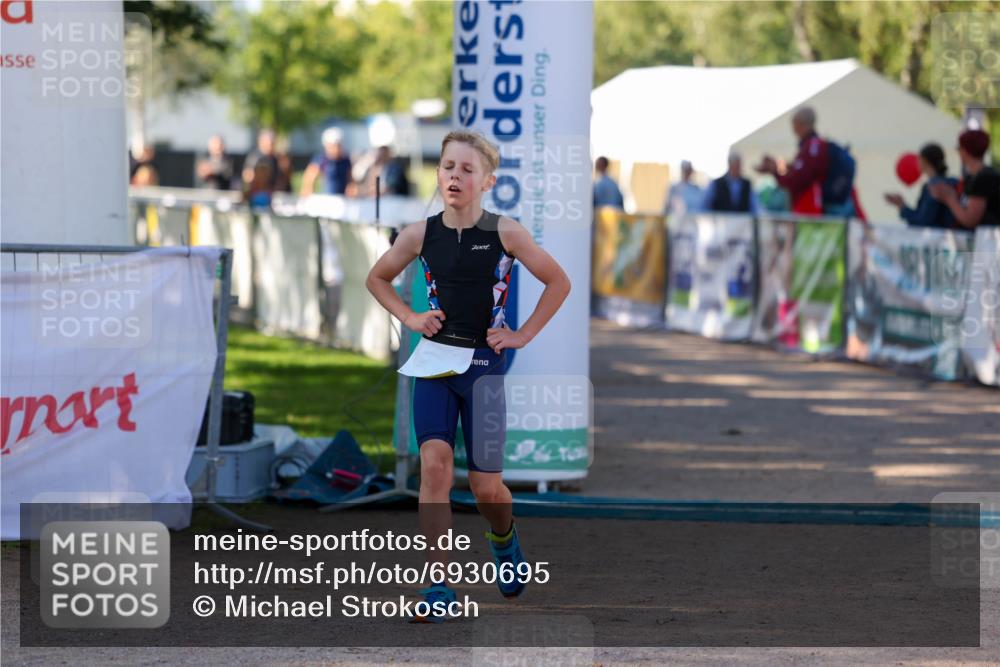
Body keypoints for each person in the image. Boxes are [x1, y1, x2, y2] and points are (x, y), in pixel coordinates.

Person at [365, 130, 571, 622]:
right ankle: (438, 587)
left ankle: (504, 539)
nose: (455, 177)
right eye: (448, 167)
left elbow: (558, 281)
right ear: (438, 173)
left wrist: (521, 335)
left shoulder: (507, 232)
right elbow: (376, 277)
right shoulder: (418, 234)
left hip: (483, 370)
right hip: (434, 364)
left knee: (486, 490)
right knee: (434, 468)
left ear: (487, 181)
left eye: (466, 170)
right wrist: (411, 319)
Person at [929, 129, 1000, 228]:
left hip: (985, 240)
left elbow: (970, 220)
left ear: (965, 150)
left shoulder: (985, 178)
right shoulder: (973, 177)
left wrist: (949, 198)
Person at [884, 143, 958, 228]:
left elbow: (922, 222)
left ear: (924, 161)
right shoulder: (949, 182)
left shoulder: (934, 186)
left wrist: (902, 206)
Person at [300, 127, 353, 196]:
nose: (336, 149)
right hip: (327, 200)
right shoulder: (321, 160)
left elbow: (350, 180)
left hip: (343, 201)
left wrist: (351, 189)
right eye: (334, 146)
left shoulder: (345, 161)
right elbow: (309, 181)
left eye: (338, 145)